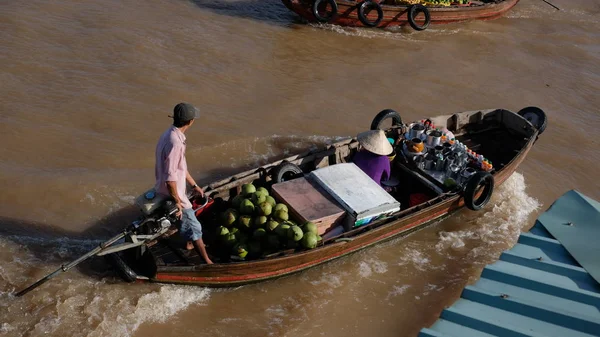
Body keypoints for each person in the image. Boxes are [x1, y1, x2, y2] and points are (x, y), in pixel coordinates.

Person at [154, 102, 213, 264]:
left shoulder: (168, 134)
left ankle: (188, 244)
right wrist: (177, 202)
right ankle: (208, 263)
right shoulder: (176, 143)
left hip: (170, 189)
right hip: (173, 193)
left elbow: (180, 167)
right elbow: (170, 179)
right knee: (195, 229)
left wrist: (194, 185)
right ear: (190, 122)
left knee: (189, 221)